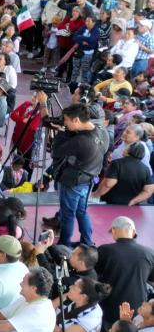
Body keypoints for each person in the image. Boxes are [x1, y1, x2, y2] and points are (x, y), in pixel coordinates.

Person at [50, 103, 111, 246]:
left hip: (73, 181)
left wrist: (62, 133)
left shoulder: (80, 141)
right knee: (82, 212)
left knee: (68, 214)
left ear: (76, 120)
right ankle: (87, 241)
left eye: (66, 120)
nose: (64, 123)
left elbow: (56, 152)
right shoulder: (102, 130)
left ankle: (64, 244)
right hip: (89, 178)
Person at [96, 217, 154, 331]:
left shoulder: (104, 250)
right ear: (133, 232)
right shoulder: (149, 253)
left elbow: (94, 275)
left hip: (109, 307)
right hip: (139, 308)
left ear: (113, 230)